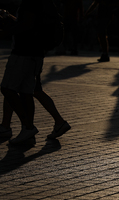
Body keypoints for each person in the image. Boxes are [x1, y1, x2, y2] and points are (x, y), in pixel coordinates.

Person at [0, 1, 70, 143]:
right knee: (27, 92)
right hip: (36, 53)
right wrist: (11, 17)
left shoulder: (30, 2)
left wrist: (4, 32)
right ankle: (24, 129)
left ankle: (26, 126)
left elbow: (27, 25)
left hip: (24, 52)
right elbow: (30, 23)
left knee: (8, 89)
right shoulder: (43, 3)